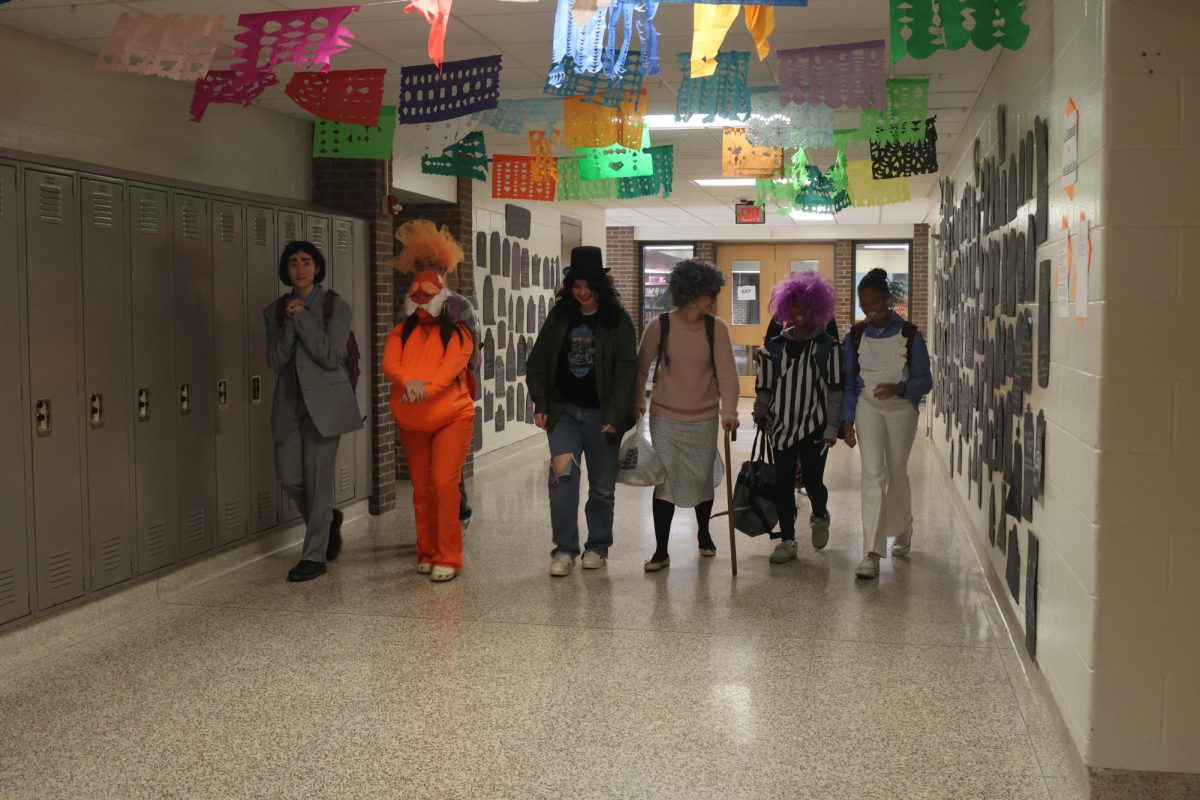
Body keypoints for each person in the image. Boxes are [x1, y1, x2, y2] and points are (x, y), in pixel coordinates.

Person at [526, 246, 638, 577]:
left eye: (589, 286)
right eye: (576, 286)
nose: (583, 292)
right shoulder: (561, 317)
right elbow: (537, 362)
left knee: (602, 487)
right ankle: (564, 549)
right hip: (565, 415)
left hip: (603, 417)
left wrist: (615, 415)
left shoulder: (617, 321)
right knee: (563, 482)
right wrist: (542, 403)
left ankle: (597, 547)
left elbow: (625, 370)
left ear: (600, 286)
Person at [382, 221, 476, 582]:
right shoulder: (404, 317)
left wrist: (431, 386)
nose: (426, 274)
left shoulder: (459, 309)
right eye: (420, 265)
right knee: (424, 488)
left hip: (452, 406)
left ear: (445, 268)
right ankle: (427, 549)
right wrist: (409, 381)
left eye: (432, 266)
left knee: (444, 484)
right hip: (412, 414)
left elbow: (463, 357)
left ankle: (448, 554)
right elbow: (394, 357)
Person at [265, 240, 363, 582]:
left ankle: (314, 556)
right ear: (286, 270)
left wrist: (303, 319)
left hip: (325, 404)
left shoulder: (336, 306)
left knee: (319, 482)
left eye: (306, 261)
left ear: (317, 267)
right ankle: (328, 521)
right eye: (293, 263)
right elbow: (276, 360)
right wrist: (290, 324)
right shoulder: (275, 310)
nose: (300, 268)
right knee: (291, 477)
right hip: (289, 404)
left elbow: (330, 356)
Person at [634, 259, 739, 571]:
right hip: (665, 417)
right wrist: (637, 400)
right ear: (692, 294)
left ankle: (704, 534)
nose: (713, 300)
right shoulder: (660, 326)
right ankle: (661, 550)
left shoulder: (715, 328)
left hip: (703, 418)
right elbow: (641, 368)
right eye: (710, 294)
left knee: (701, 478)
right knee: (664, 481)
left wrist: (729, 412)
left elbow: (728, 375)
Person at [841, 268, 933, 580]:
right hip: (868, 406)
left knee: (896, 472)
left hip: (901, 410)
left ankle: (903, 528)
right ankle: (871, 552)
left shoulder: (909, 334)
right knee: (872, 475)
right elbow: (850, 383)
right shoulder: (855, 335)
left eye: (875, 302)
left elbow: (926, 381)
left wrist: (899, 388)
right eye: (864, 304)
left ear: (887, 299)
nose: (870, 309)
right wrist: (846, 421)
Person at [753, 272, 843, 564]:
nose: (799, 314)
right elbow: (766, 387)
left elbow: (834, 390)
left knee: (814, 482)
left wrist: (832, 426)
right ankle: (788, 540)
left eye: (806, 308)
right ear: (784, 309)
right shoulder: (774, 347)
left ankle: (819, 515)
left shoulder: (829, 347)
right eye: (793, 307)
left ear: (818, 310)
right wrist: (760, 414)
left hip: (815, 426)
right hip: (781, 426)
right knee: (783, 485)